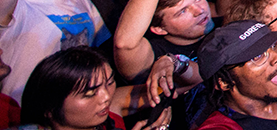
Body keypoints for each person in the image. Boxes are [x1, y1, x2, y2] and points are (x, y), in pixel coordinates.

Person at [20, 46, 171, 130]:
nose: (106, 97)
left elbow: (175, 84)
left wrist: (173, 62)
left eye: (110, 83)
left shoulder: (109, 118)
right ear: (50, 108)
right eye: (90, 93)